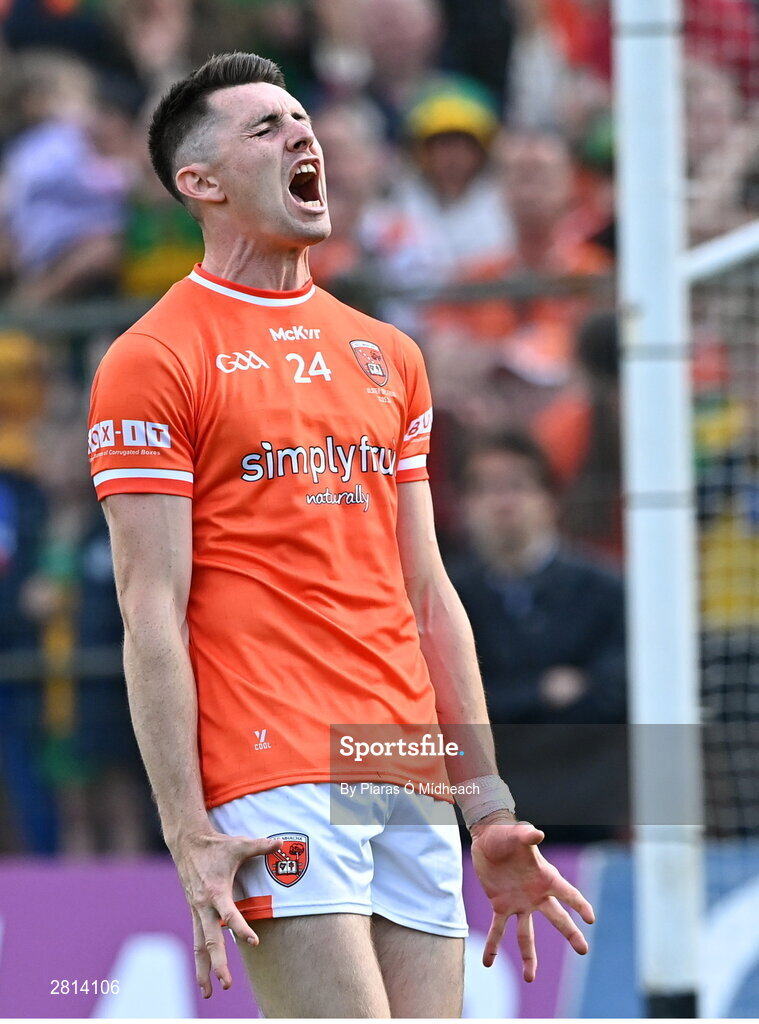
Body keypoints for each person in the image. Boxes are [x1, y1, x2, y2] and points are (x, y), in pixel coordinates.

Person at [87, 52, 594, 1018]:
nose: (301, 135)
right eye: (265, 128)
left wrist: (487, 805)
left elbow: (426, 591)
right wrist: (186, 829)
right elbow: (146, 610)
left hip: (399, 764)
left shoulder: (387, 353)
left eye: (300, 119)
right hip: (271, 759)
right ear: (200, 183)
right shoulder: (151, 358)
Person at [448, 429, 627, 839]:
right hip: (477, 824)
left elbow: (613, 694)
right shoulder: (445, 599)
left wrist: (497, 702)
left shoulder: (605, 590)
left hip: (586, 815)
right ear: (463, 505)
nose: (503, 502)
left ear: (551, 499)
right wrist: (542, 692)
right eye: (484, 488)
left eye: (518, 485)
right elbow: (445, 710)